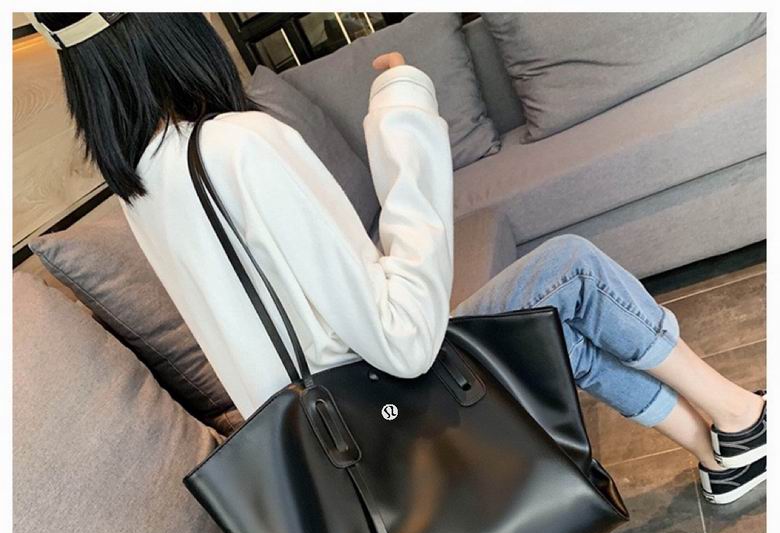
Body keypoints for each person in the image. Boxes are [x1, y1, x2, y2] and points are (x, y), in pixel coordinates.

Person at [31, 12, 766, 504]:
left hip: (341, 443)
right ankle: (743, 417)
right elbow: (404, 340)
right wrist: (403, 121)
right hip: (395, 407)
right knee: (569, 269)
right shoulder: (236, 145)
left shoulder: (144, 187)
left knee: (553, 331)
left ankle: (723, 454)